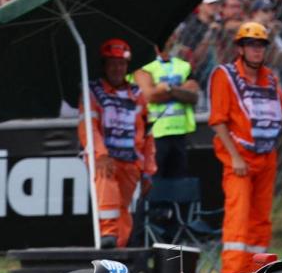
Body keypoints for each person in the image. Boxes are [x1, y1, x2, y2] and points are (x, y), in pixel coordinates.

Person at [208, 21, 282, 273]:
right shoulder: (225, 76)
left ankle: (257, 272)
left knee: (261, 220)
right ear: (240, 48)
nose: (257, 50)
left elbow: (281, 108)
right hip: (239, 158)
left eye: (261, 45)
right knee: (238, 219)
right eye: (251, 45)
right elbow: (218, 120)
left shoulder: (271, 78)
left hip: (266, 156)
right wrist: (234, 157)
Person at [77, 38, 156, 249]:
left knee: (125, 210)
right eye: (112, 63)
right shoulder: (92, 92)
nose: (117, 68)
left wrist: (148, 170)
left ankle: (120, 251)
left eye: (121, 63)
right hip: (105, 159)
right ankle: (107, 237)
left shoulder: (137, 95)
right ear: (104, 65)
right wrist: (100, 154)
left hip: (131, 162)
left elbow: (147, 135)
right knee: (107, 197)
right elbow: (88, 126)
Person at [132, 35, 200, 178]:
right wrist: (180, 89)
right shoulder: (143, 66)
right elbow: (150, 95)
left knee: (178, 182)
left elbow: (193, 96)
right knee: (153, 179)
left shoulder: (184, 66)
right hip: (154, 133)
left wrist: (168, 88)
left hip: (180, 133)